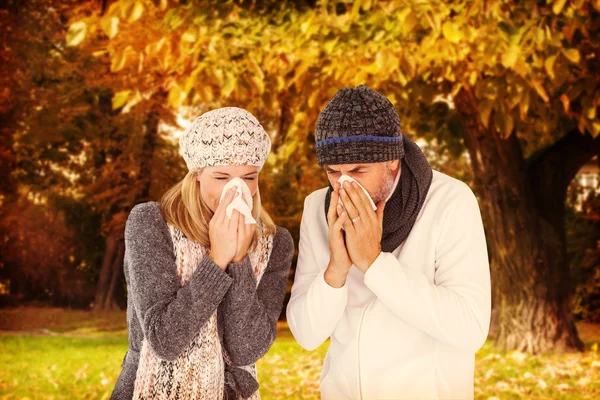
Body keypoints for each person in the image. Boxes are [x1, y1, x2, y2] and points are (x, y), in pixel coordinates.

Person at [287, 85, 491, 399]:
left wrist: (374, 263)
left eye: (358, 170)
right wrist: (336, 271)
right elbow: (306, 335)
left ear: (392, 161)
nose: (344, 184)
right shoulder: (318, 207)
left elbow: (470, 328)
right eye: (332, 172)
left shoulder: (450, 200)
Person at [111, 107, 294, 400]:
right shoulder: (150, 223)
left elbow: (246, 350)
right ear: (196, 175)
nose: (236, 191)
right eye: (222, 177)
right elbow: (165, 340)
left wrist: (239, 261)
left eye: (249, 177)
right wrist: (217, 259)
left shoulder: (276, 243)